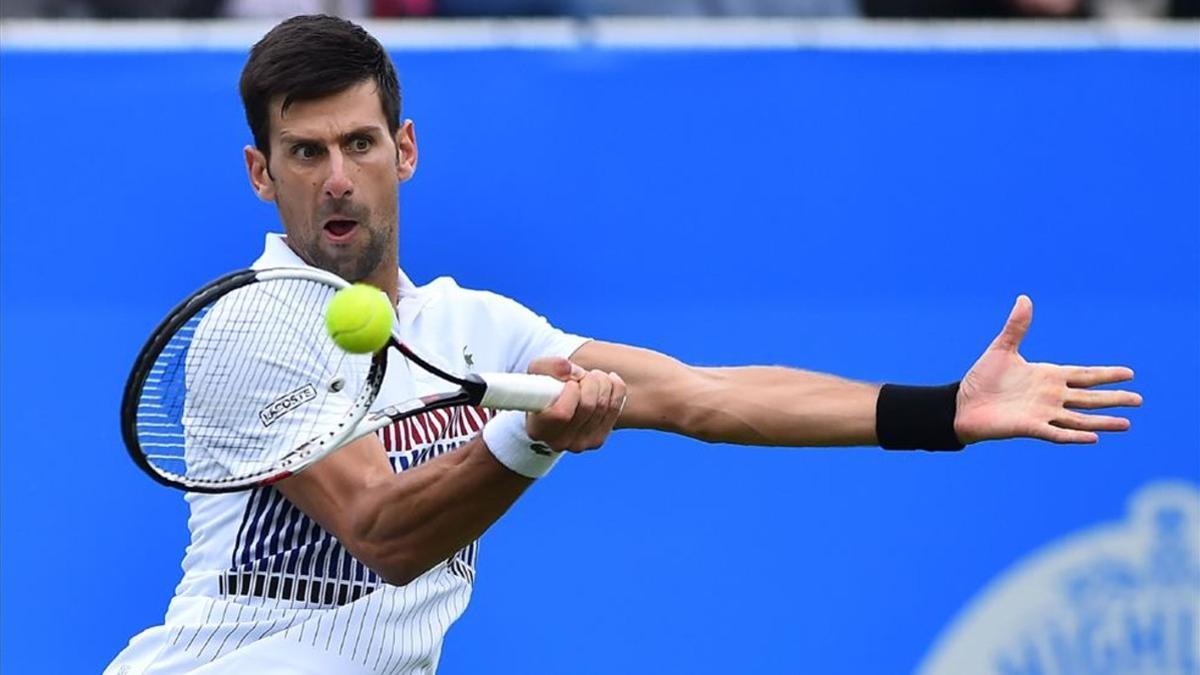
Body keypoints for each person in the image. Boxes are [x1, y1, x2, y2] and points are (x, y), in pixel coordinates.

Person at [105, 14, 1142, 675]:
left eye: (360, 143)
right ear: (261, 173)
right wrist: (530, 442)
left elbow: (703, 396)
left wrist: (936, 412)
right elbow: (382, 529)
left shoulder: (484, 330)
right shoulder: (246, 327)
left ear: (404, 151)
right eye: (306, 152)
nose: (337, 176)